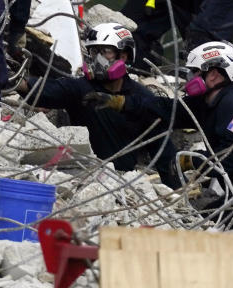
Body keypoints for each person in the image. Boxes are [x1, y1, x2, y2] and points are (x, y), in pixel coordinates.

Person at [88, 40, 233, 230]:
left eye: (194, 72)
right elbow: (164, 109)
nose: (189, 78)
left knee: (207, 228)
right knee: (202, 221)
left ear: (213, 74)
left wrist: (194, 162)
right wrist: (121, 103)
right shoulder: (206, 104)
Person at [24, 23, 181, 188]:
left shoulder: (141, 99)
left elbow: (164, 154)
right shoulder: (80, 88)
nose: (98, 59)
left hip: (122, 183)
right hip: (81, 178)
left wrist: (177, 193)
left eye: (105, 51)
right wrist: (15, 82)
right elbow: (45, 90)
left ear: (124, 55)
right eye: (94, 51)